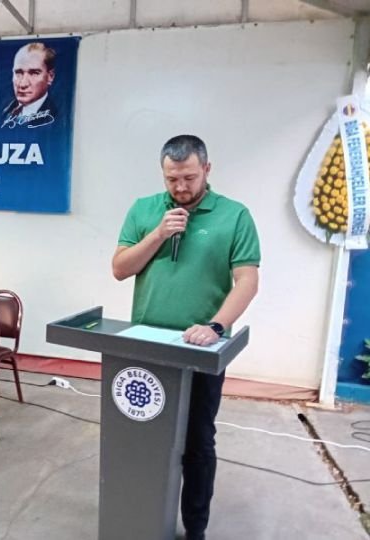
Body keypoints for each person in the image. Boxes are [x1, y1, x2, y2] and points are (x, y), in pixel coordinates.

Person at [111, 135, 260, 540]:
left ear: (207, 169)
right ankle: (140, 519)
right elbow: (120, 269)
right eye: (172, 179)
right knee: (141, 437)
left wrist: (216, 327)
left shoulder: (235, 216)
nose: (180, 187)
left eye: (189, 178)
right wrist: (158, 234)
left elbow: (247, 281)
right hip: (145, 349)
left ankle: (195, 528)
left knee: (197, 442)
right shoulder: (144, 210)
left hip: (200, 351)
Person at [1, 42, 57, 129]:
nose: (23, 84)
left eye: (34, 73)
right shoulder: (5, 113)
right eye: (18, 73)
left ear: (50, 77)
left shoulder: (58, 117)